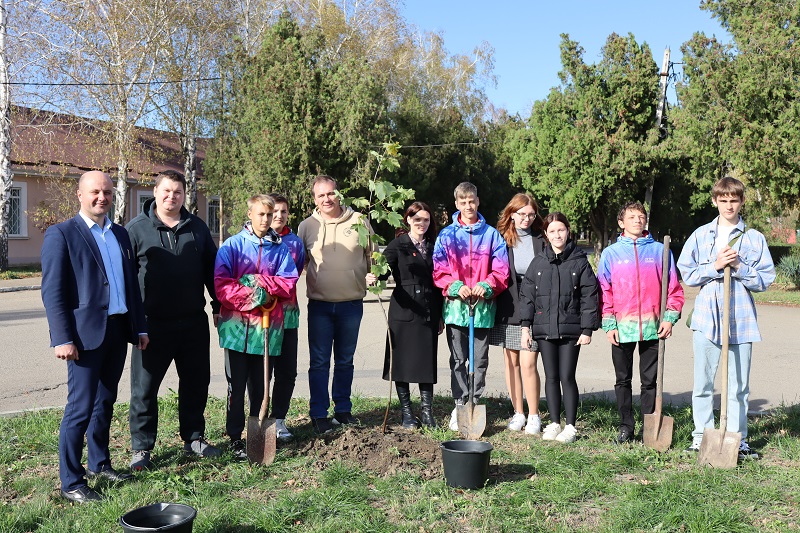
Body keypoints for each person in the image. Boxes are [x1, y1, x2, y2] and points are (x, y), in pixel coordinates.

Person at [41, 170, 148, 503]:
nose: (102, 197)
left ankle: (99, 464)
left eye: (107, 192)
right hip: (83, 337)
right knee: (80, 408)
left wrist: (139, 327)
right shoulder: (61, 234)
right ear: (80, 195)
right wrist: (62, 338)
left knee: (105, 402)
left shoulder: (120, 234)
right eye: (95, 192)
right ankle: (72, 482)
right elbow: (53, 291)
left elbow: (131, 285)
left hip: (117, 330)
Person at [125, 170, 222, 471]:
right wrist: (132, 321)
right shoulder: (135, 230)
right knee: (144, 389)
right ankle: (142, 448)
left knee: (196, 382)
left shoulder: (197, 228)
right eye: (166, 191)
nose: (172, 197)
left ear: (184, 195)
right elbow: (126, 279)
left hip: (193, 322)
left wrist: (218, 304)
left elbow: (212, 270)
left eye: (177, 192)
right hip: (151, 325)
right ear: (155, 192)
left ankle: (194, 438)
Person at [677, 176, 775, 459]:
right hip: (707, 317)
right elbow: (688, 273)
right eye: (723, 200)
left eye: (734, 200)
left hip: (740, 318)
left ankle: (737, 439)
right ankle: (701, 436)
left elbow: (765, 279)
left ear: (742, 201)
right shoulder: (700, 236)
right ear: (715, 201)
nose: (729, 205)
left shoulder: (754, 238)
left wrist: (740, 266)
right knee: (703, 383)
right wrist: (716, 265)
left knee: (738, 387)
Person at [215, 195, 299, 459]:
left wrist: (257, 282)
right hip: (236, 330)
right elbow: (222, 286)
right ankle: (234, 436)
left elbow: (288, 283)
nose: (266, 219)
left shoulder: (281, 250)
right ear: (250, 214)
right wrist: (256, 296)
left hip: (267, 329)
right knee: (236, 385)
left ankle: (258, 433)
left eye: (269, 214)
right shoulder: (232, 246)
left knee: (261, 386)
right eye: (261, 214)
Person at [597, 202, 684, 444]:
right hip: (621, 327)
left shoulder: (660, 251)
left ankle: (649, 426)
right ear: (621, 223)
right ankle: (626, 426)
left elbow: (674, 288)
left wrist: (670, 318)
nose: (638, 220)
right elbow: (604, 290)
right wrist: (609, 323)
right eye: (632, 216)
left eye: (641, 216)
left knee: (649, 381)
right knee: (622, 380)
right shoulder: (611, 254)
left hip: (652, 326)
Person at [298, 175, 376, 434]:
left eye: (331, 193)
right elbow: (300, 261)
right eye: (321, 195)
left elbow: (373, 256)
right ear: (314, 199)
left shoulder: (359, 221)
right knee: (319, 362)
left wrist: (373, 275)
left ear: (339, 194)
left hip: (350, 304)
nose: (327, 199)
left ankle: (343, 410)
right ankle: (319, 413)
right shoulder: (307, 226)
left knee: (345, 360)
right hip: (319, 306)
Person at [433, 182, 509, 431]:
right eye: (463, 202)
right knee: (458, 360)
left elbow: (501, 270)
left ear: (478, 201)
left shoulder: (492, 235)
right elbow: (439, 270)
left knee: (479, 361)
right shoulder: (446, 236)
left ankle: (474, 402)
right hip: (456, 310)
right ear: (457, 204)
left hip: (482, 310)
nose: (468, 206)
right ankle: (459, 404)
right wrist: (455, 286)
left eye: (472, 201)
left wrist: (486, 285)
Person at [520, 212, 599, 444]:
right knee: (551, 377)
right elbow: (527, 297)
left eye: (561, 230)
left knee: (567, 376)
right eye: (552, 231)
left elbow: (589, 296)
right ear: (546, 234)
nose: (557, 235)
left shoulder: (580, 261)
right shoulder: (538, 263)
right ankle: (554, 422)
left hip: (571, 331)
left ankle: (570, 426)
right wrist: (525, 327)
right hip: (544, 329)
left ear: (568, 231)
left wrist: (587, 329)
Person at [377, 201, 443, 429]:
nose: (422, 223)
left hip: (428, 309)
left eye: (426, 220)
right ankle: (407, 413)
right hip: (403, 310)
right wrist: (374, 276)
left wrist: (440, 315)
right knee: (401, 363)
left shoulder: (435, 246)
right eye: (417, 219)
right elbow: (383, 272)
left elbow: (439, 283)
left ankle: (427, 412)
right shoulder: (398, 245)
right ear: (408, 220)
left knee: (427, 362)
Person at [489, 193, 546, 434]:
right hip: (509, 305)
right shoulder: (501, 238)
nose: (526, 219)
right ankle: (518, 412)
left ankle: (534, 415)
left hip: (535, 305)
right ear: (512, 214)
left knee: (528, 361)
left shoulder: (542, 239)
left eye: (531, 214)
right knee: (511, 361)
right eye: (522, 214)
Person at [266, 193, 305, 441]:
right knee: (262, 372)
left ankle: (279, 418)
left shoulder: (295, 243)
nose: (279, 216)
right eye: (274, 211)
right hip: (261, 318)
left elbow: (293, 276)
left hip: (288, 317)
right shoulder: (256, 240)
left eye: (284, 211)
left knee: (287, 371)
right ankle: (259, 417)